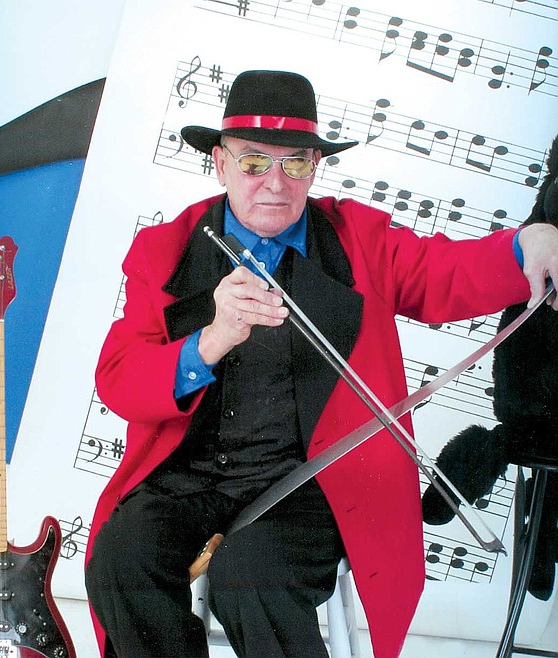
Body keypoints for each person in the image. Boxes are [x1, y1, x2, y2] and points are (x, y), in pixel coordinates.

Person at [84, 70, 558, 658]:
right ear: (220, 163)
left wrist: (525, 246)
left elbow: (445, 273)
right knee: (121, 561)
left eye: (296, 163)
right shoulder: (166, 248)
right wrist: (211, 339)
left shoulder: (359, 240)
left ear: (316, 167)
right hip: (191, 477)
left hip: (310, 485)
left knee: (251, 578)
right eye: (253, 162)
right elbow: (120, 379)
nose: (275, 183)